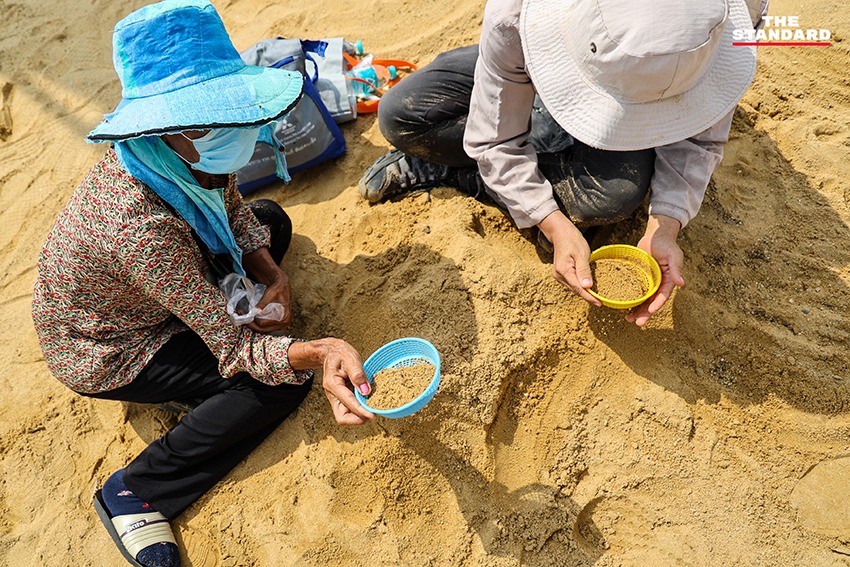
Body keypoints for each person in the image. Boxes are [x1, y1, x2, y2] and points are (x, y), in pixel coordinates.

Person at [31, 1, 374, 566]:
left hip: (161, 286)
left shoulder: (180, 159)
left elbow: (232, 205)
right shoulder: (138, 226)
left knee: (271, 222)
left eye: (228, 114)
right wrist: (324, 350)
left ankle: (203, 378)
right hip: (110, 346)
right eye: (206, 122)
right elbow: (238, 349)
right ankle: (136, 493)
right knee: (278, 386)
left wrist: (272, 273)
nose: (230, 136)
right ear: (162, 129)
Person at [359, 0, 769, 326]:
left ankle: (457, 169)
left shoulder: (732, 16)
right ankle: (466, 166)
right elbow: (494, 136)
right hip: (537, 52)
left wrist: (667, 223)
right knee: (402, 114)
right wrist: (554, 224)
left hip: (640, 81)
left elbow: (699, 135)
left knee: (612, 197)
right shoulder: (517, 14)